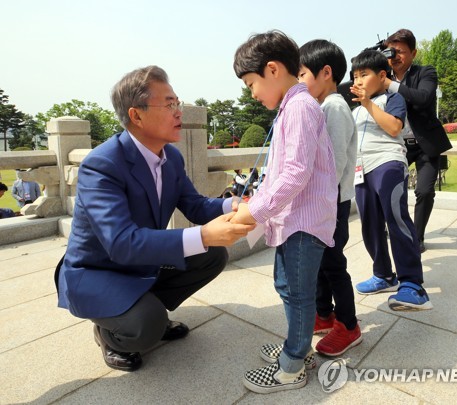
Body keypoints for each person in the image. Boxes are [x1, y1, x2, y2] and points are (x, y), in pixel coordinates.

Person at [55, 66, 255, 372]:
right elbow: (121, 244)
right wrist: (202, 235)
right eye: (170, 104)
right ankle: (110, 333)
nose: (179, 112)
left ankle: (143, 308)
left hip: (140, 260)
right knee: (146, 326)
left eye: (178, 102)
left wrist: (234, 205)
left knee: (213, 255)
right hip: (98, 270)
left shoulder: (170, 156)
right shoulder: (102, 165)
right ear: (136, 116)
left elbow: (195, 204)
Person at [232, 30, 338, 394]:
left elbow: (295, 172)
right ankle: (299, 345)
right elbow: (282, 170)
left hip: (303, 223)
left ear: (272, 69)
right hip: (294, 220)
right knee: (287, 286)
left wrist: (254, 211)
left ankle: (291, 365)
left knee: (297, 290)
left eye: (250, 84)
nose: (252, 93)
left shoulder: (300, 107)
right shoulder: (294, 107)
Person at [349, 50, 432, 311]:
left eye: (364, 75)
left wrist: (367, 104)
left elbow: (395, 128)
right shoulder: (355, 110)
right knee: (370, 226)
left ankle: (413, 285)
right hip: (361, 171)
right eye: (355, 76)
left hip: (388, 164)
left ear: (382, 75)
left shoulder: (391, 98)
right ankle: (384, 275)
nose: (359, 81)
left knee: (396, 219)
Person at [298, 39, 361, 356]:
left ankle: (349, 325)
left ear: (325, 72)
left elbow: (333, 163)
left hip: (330, 202)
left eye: (302, 74)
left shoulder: (334, 107)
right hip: (322, 201)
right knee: (321, 262)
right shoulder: (323, 107)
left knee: (333, 265)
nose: (299, 82)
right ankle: (324, 314)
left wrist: (314, 200)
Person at [383, 29, 452, 253]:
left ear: (413, 52)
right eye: (391, 51)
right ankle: (395, 228)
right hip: (397, 145)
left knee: (424, 191)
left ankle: (417, 236)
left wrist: (390, 85)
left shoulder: (426, 72)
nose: (395, 57)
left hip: (425, 144)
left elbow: (423, 98)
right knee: (389, 189)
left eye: (400, 52)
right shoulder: (382, 74)